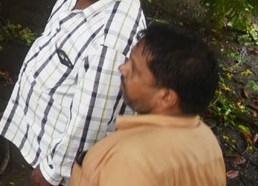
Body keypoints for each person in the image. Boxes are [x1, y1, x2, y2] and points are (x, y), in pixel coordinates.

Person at [0, 0, 147, 185]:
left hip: (66, 163)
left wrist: (53, 172)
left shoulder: (111, 46)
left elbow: (90, 124)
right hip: (46, 129)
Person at [70, 22, 227, 185]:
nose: (122, 68)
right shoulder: (208, 140)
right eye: (128, 60)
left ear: (166, 97)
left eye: (135, 69)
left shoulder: (128, 161)